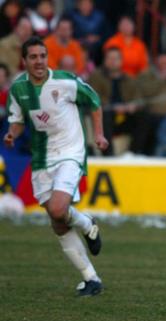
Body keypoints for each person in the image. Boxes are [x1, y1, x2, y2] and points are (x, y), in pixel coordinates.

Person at [3, 36, 109, 296]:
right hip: (40, 159)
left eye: (42, 56)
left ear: (47, 57)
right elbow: (17, 121)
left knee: (59, 208)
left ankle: (86, 224)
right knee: (58, 220)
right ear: (24, 60)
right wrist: (12, 134)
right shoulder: (18, 89)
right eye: (33, 57)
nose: (39, 61)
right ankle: (90, 278)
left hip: (70, 153)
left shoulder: (65, 81)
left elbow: (94, 102)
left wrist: (98, 134)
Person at [88, 46, 140, 156]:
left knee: (144, 116)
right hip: (105, 117)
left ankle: (133, 154)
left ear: (121, 61)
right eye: (109, 58)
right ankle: (108, 155)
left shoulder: (129, 79)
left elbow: (139, 98)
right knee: (105, 114)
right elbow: (93, 97)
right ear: (105, 60)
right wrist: (113, 107)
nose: (112, 62)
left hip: (124, 117)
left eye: (115, 59)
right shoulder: (96, 76)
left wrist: (134, 105)